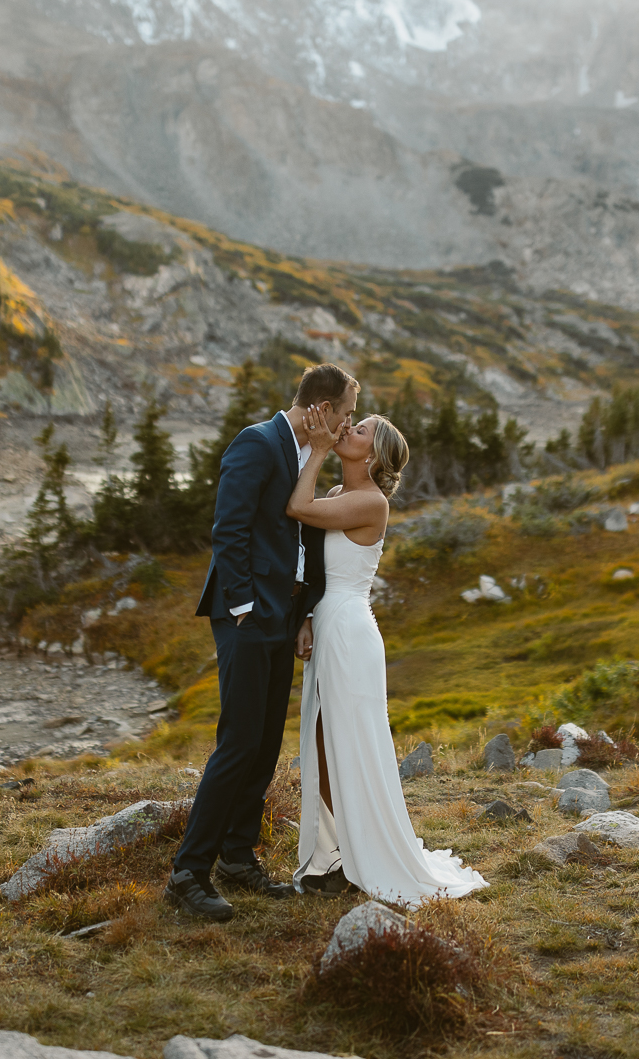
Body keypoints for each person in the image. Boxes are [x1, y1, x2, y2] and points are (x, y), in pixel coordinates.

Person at [165, 364, 359, 921]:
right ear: (319, 408)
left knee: (266, 741)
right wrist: (246, 607)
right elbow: (229, 529)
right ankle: (187, 872)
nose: (346, 427)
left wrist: (301, 614)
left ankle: (237, 856)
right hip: (247, 616)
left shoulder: (308, 455)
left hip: (284, 617)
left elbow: (299, 538)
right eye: (343, 414)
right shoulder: (256, 443)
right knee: (239, 741)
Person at [286, 408, 488, 904]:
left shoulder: (370, 503)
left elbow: (296, 506)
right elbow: (314, 564)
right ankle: (335, 851)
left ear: (372, 454)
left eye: (357, 431)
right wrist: (306, 618)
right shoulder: (338, 495)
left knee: (349, 743)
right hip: (329, 622)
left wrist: (314, 449)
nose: (346, 431)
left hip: (352, 634)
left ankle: (364, 852)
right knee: (320, 740)